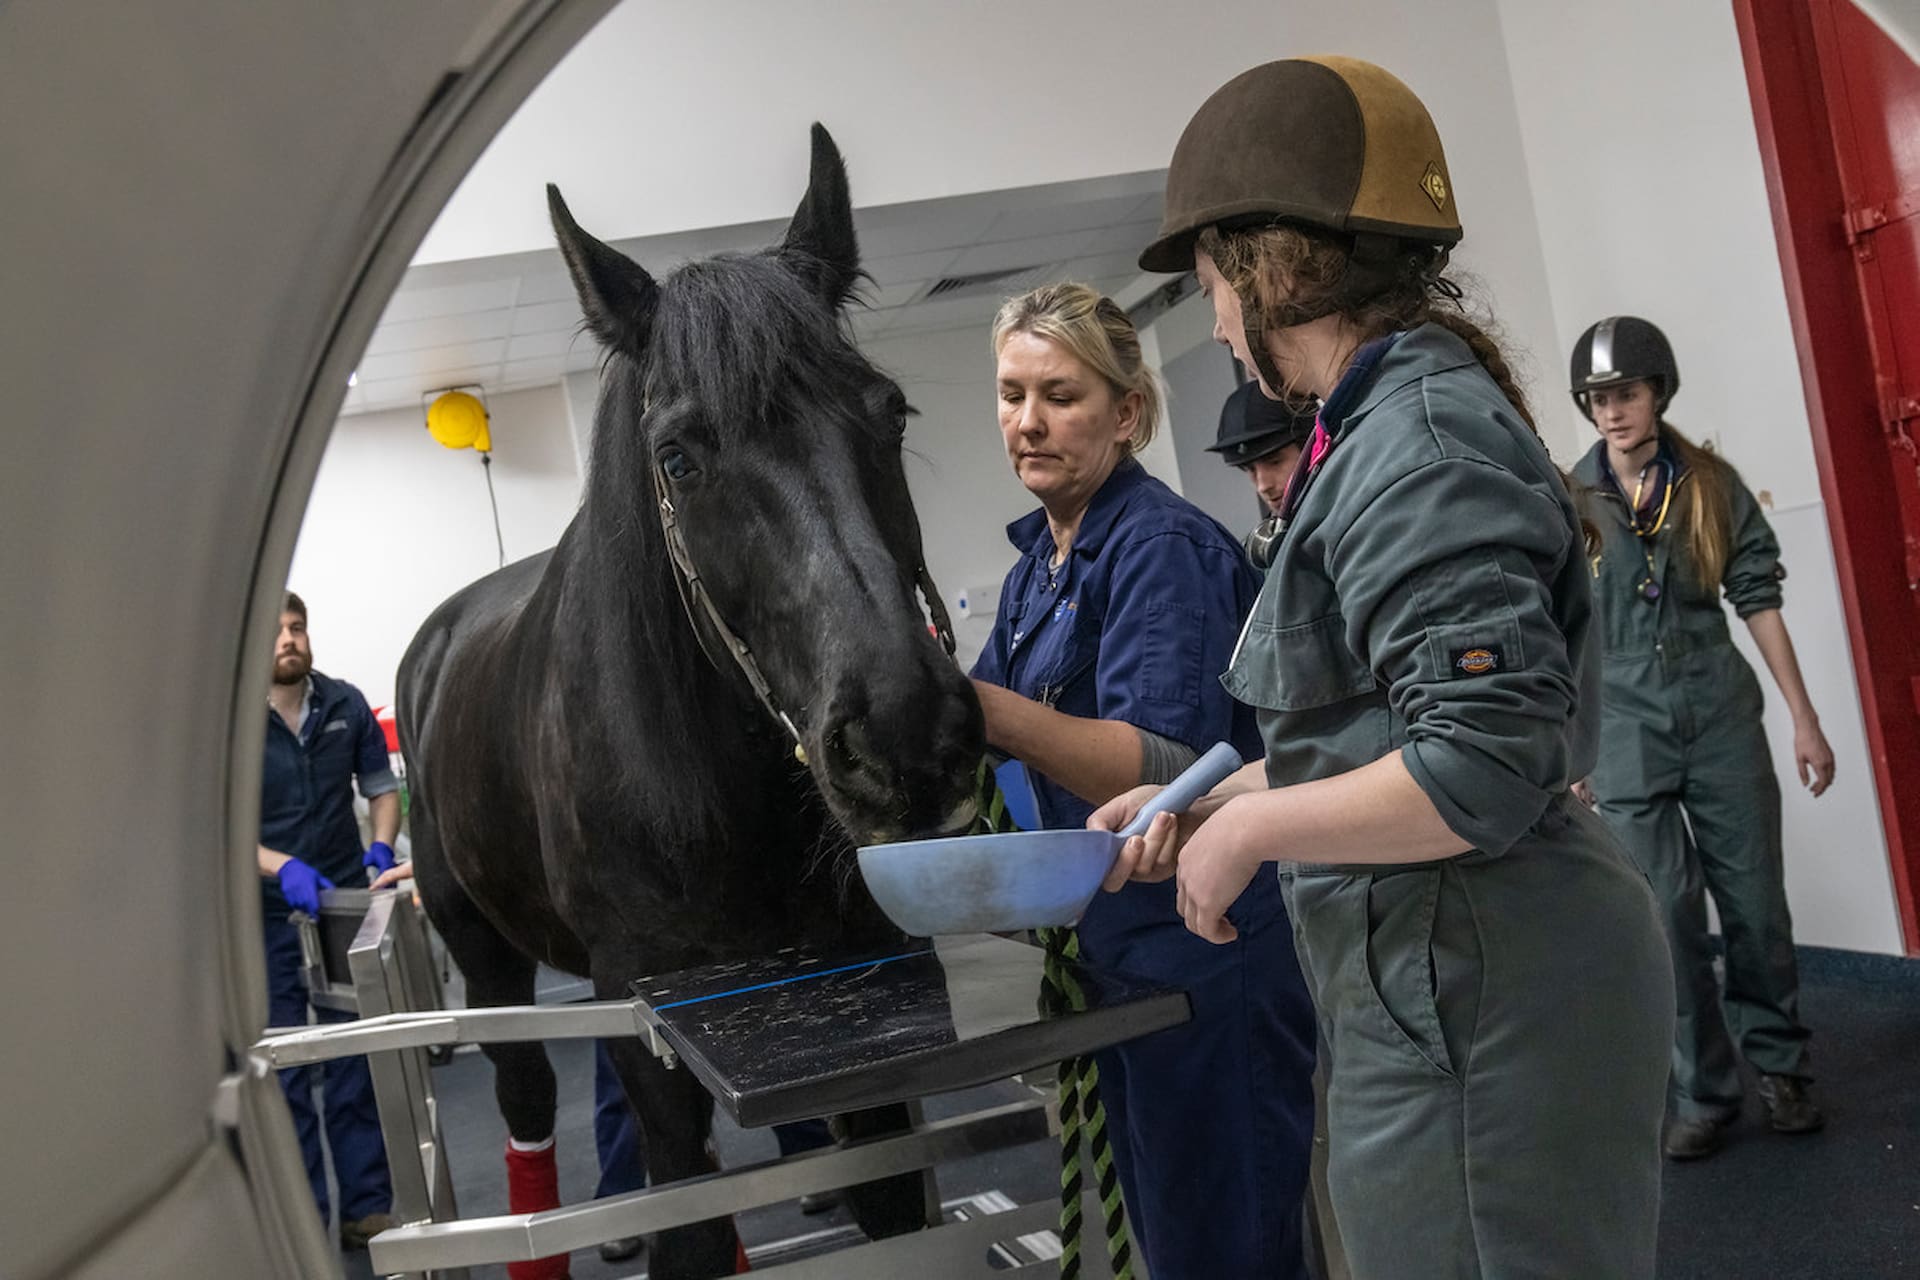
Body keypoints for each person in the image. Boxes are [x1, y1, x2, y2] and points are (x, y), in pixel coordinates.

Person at [1098, 57, 1675, 1277]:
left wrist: (1251, 837)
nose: (1211, 319)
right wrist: (1228, 797)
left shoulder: (1412, 448)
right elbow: (1386, 725)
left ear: (1277, 267)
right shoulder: (1375, 430)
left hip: (1483, 985)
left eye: (1210, 284)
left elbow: (1485, 759)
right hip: (1434, 973)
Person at [970, 282, 1316, 1279]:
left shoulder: (1159, 546)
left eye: (1060, 394)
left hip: (1204, 949)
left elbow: (1160, 760)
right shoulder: (1040, 562)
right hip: (1116, 946)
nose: (1027, 420)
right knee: (1172, 1238)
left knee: (1224, 1245)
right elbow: (985, 732)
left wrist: (976, 708)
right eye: (1010, 392)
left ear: (1126, 414)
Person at [1568, 315, 1834, 1160]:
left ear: (1660, 394)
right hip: (1626, 737)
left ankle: (1782, 1067)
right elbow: (1563, 631)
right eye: (1600, 399)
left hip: (1720, 719)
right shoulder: (1569, 503)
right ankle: (1702, 1089)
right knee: (1667, 918)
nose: (1613, 412)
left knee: (1755, 903)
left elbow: (1757, 596)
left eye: (1628, 394)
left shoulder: (1712, 485)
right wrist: (1573, 751)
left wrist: (1805, 716)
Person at [257, 591, 396, 1249]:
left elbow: (381, 788)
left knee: (352, 1059)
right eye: (277, 631)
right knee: (285, 1070)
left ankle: (365, 1207)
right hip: (266, 917)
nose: (289, 640)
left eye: (296, 628)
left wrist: (380, 846)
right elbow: (212, 825)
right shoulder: (227, 726)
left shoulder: (343, 703)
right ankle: (306, 1222)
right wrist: (278, 866)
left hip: (341, 905)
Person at [1208, 378, 1318, 567]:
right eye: (1249, 469)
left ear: (1312, 448)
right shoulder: (1263, 550)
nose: (1263, 485)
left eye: (1275, 462)